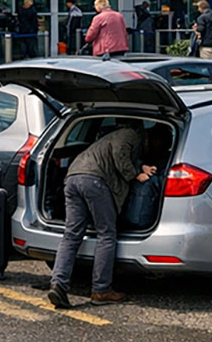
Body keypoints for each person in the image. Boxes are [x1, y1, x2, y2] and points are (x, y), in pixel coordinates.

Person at [47, 123, 157, 309]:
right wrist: (135, 175)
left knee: (72, 235)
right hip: (95, 181)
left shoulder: (108, 139)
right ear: (148, 137)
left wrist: (141, 165)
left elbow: (117, 154)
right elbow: (120, 154)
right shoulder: (131, 133)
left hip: (73, 177)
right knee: (106, 234)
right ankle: (101, 290)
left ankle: (58, 284)